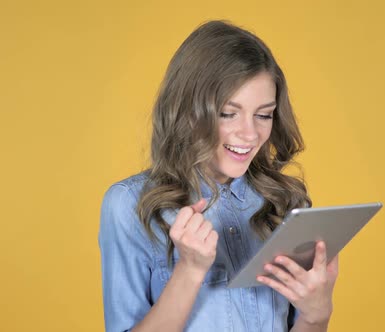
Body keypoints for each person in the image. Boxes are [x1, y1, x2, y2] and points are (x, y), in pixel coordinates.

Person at [99, 20, 339, 332]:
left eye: (263, 114)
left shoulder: (284, 202)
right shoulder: (129, 205)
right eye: (228, 113)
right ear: (187, 110)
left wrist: (316, 314)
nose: (250, 133)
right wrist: (189, 269)